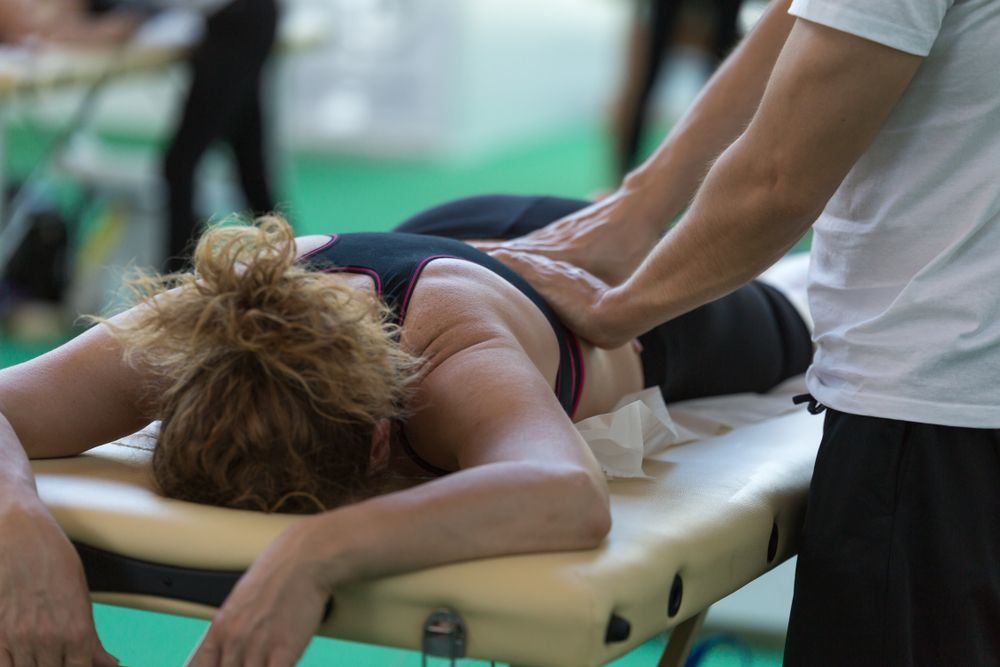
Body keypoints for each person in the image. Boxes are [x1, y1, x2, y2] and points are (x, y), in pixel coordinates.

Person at [0, 193, 812, 666]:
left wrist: (313, 552)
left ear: (385, 441)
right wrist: (18, 520)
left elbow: (568, 493)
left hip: (658, 311)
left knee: (800, 320)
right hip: (458, 226)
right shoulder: (200, 326)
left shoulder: (448, 358)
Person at [478, 0, 1000, 663]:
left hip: (941, 404)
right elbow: (805, 16)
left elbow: (777, 181)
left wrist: (619, 311)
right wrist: (640, 205)